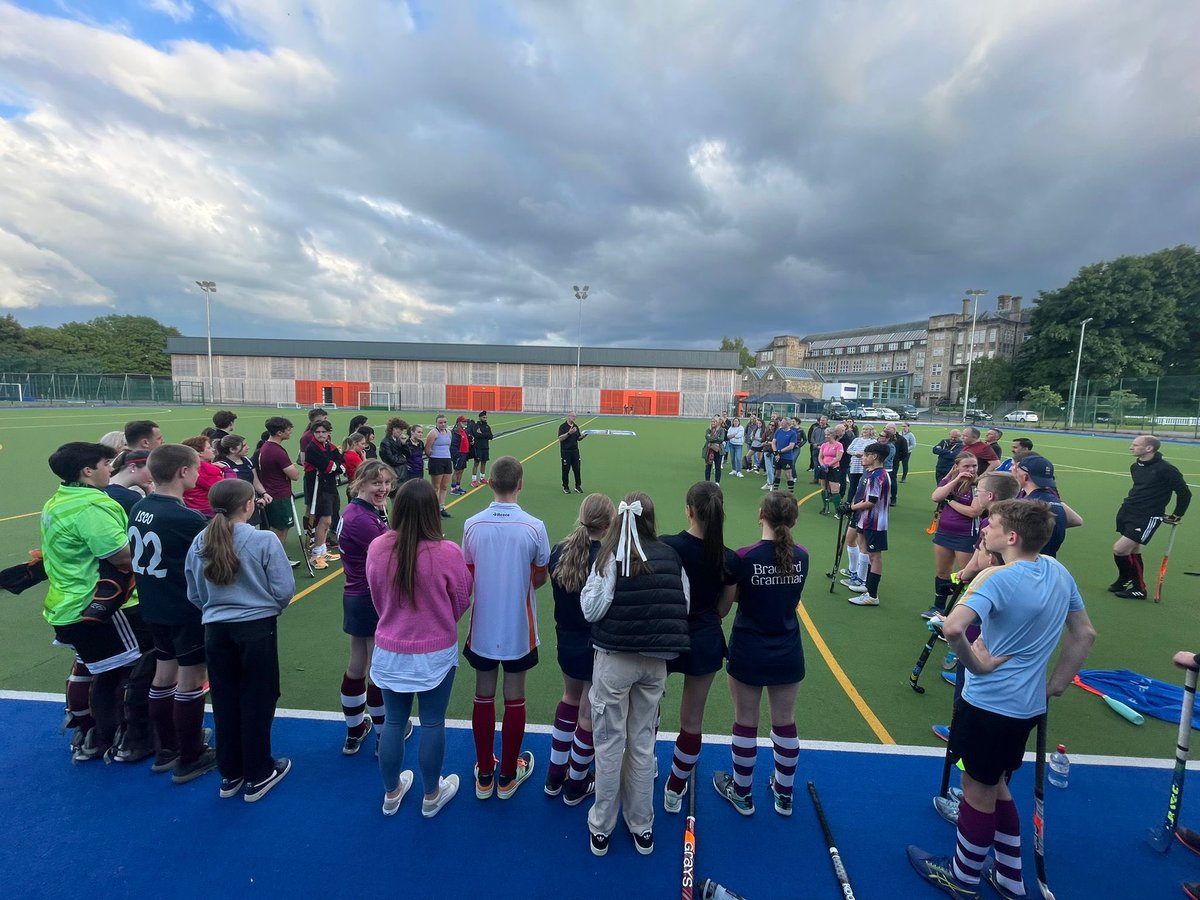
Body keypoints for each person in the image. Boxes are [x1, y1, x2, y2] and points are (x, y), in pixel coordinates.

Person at [907, 499, 1096, 899]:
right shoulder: (1059, 572)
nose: (984, 531)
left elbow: (954, 628)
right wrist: (1057, 684)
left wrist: (976, 666)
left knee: (976, 790)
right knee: (998, 787)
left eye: (989, 525)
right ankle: (1010, 879)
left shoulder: (996, 577)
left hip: (988, 705)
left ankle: (961, 877)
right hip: (1028, 706)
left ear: (1011, 537)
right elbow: (1085, 634)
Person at [581, 492, 690, 856]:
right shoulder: (670, 556)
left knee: (610, 744)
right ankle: (642, 824)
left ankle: (602, 826)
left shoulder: (611, 556)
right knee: (642, 744)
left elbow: (591, 609)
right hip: (655, 661)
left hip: (615, 659)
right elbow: (683, 604)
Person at [365, 478, 472, 817]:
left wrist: (396, 622)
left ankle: (391, 792)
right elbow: (461, 599)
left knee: (394, 722)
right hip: (435, 651)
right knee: (432, 722)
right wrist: (438, 621)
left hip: (391, 647)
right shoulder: (446, 552)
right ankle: (431, 793)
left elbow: (376, 596)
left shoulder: (378, 547)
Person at [185, 479, 296, 802]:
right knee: (259, 697)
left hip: (216, 630)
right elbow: (283, 589)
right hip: (256, 628)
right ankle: (259, 771)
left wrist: (215, 609)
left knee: (225, 698)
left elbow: (194, 592)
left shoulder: (199, 541)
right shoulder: (263, 540)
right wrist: (268, 607)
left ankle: (230, 770)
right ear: (248, 505)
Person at [41, 442, 151, 763]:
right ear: (87, 471)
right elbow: (121, 555)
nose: (110, 470)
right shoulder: (90, 507)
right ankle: (126, 736)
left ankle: (90, 733)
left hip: (67, 602)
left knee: (92, 666)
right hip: (102, 603)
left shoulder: (57, 502)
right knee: (129, 669)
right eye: (106, 463)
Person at [712, 490, 807, 817]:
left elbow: (728, 604)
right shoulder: (802, 556)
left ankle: (742, 794)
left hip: (750, 648)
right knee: (785, 723)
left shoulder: (745, 557)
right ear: (793, 520)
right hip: (787, 650)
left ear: (760, 515)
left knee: (746, 722)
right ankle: (784, 794)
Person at [462, 456, 551, 800]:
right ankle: (509, 775)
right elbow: (540, 575)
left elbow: (467, 575)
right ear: (520, 484)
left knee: (482, 695)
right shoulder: (534, 526)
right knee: (515, 699)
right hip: (518, 628)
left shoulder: (471, 524)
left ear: (488, 482)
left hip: (482, 627)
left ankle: (485, 772)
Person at [129, 444, 217, 783]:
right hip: (183, 607)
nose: (198, 474)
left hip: (153, 604)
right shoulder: (186, 518)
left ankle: (167, 747)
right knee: (191, 679)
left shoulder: (140, 506)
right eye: (195, 469)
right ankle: (190, 754)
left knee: (163, 674)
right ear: (183, 472)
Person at [662, 482, 738, 813]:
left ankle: (643, 767)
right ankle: (674, 789)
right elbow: (723, 610)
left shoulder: (666, 546)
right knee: (692, 721)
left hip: (664, 637)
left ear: (688, 510)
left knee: (647, 710)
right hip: (704, 640)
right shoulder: (729, 559)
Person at [545, 493, 617, 805]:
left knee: (570, 698)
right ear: (609, 522)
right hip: (594, 643)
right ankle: (576, 782)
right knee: (587, 711)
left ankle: (554, 774)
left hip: (566, 639)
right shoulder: (607, 558)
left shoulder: (560, 550)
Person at [336, 460, 403, 757]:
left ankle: (355, 731)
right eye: (377, 483)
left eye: (387, 483)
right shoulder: (362, 520)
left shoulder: (361, 512)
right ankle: (381, 736)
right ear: (360, 482)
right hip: (370, 597)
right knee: (378, 668)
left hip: (356, 594)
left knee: (358, 663)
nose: (384, 489)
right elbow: (394, 557)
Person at [1110, 434, 1191, 599]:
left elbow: (1184, 493)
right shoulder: (1135, 466)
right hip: (1128, 510)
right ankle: (1133, 584)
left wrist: (1177, 514)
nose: (1131, 447)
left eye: (1135, 444)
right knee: (1133, 550)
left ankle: (1134, 584)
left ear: (1149, 448)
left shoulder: (1166, 469)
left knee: (1120, 549)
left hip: (1147, 515)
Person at [924, 453, 985, 620]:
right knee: (942, 571)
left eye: (974, 465)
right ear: (957, 466)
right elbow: (936, 496)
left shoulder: (979, 484)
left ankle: (962, 613)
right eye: (966, 466)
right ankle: (939, 607)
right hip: (944, 532)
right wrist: (957, 479)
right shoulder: (951, 480)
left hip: (965, 535)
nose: (971, 469)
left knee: (966, 575)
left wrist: (950, 501)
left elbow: (974, 512)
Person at [841, 442, 890, 606]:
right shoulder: (870, 473)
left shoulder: (878, 476)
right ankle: (865, 585)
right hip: (864, 519)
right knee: (867, 552)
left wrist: (850, 507)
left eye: (865, 454)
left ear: (874, 457)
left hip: (874, 522)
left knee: (875, 556)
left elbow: (871, 501)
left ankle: (872, 595)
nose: (862, 457)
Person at [1013, 456, 1083, 559]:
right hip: (1048, 563)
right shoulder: (1056, 503)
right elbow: (1076, 520)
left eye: (1016, 471)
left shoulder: (1024, 506)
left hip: (1025, 565)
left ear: (1025, 477)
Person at [256, 417, 301, 562]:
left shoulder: (266, 447)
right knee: (280, 531)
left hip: (272, 493)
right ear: (280, 432)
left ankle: (274, 558)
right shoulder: (276, 451)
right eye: (288, 430)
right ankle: (274, 560)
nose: (290, 432)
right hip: (279, 495)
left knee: (278, 529)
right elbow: (295, 475)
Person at [304, 421, 345, 569]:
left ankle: (322, 550)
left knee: (329, 518)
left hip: (329, 485)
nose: (320, 434)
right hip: (318, 487)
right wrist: (336, 466)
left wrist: (337, 466)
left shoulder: (329, 445)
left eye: (323, 432)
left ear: (328, 433)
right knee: (325, 520)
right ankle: (315, 555)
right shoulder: (312, 448)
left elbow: (341, 462)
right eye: (317, 432)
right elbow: (328, 467)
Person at [181, 435, 224, 518]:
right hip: (207, 512)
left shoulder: (184, 468)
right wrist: (228, 471)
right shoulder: (204, 470)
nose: (213, 449)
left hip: (191, 510)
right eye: (209, 448)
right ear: (199, 453)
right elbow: (225, 489)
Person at [104, 449, 153, 514]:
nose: (153, 476)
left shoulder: (98, 485)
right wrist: (150, 494)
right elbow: (150, 519)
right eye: (151, 471)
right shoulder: (131, 498)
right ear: (132, 467)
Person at [425, 414, 453, 516]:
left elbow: (448, 446)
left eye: (444, 422)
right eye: (440, 423)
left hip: (447, 460)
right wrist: (433, 458)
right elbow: (427, 449)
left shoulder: (449, 432)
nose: (443, 424)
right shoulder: (433, 433)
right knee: (436, 487)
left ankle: (441, 508)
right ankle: (433, 509)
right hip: (436, 460)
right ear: (436, 423)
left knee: (444, 486)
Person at [817, 427, 844, 516]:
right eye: (826, 434)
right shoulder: (824, 445)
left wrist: (828, 465)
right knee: (824, 488)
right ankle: (826, 508)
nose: (826, 436)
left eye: (828, 435)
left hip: (834, 469)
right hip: (824, 469)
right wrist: (822, 465)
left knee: (835, 489)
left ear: (833, 435)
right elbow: (820, 457)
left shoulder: (838, 445)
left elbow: (838, 458)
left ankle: (838, 511)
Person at [770, 416, 801, 493]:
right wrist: (775, 452)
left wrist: (779, 452)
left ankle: (790, 492)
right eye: (781, 422)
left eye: (783, 422)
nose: (781, 424)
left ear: (788, 423)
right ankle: (775, 491)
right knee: (777, 473)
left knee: (788, 475)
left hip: (786, 457)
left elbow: (791, 446)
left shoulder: (793, 433)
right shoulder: (778, 431)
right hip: (777, 456)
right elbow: (774, 442)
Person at [559, 413, 588, 494]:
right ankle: (565, 487)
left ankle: (578, 486)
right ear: (568, 416)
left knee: (577, 469)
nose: (574, 418)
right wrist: (569, 433)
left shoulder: (576, 426)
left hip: (575, 451)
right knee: (566, 470)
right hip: (565, 452)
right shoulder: (563, 427)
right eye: (573, 416)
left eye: (575, 416)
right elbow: (560, 438)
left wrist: (583, 436)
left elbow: (578, 438)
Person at [379, 417, 411, 482]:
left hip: (401, 472)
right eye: (400, 429)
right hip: (392, 472)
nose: (401, 432)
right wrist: (404, 460)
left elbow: (408, 454)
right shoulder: (385, 442)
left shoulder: (399, 440)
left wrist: (404, 443)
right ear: (394, 429)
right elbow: (391, 459)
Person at [449, 416, 472, 495]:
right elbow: (453, 445)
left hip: (464, 453)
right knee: (457, 471)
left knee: (461, 470)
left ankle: (458, 486)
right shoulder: (455, 432)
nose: (465, 423)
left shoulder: (463, 431)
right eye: (464, 421)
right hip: (459, 454)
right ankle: (453, 488)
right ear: (459, 423)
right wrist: (457, 454)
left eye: (466, 421)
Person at [470, 411, 494, 487]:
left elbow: (491, 436)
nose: (485, 419)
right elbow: (477, 435)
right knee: (476, 463)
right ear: (480, 417)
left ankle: (482, 478)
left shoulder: (487, 426)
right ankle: (474, 480)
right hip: (478, 447)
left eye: (486, 417)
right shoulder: (476, 426)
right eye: (483, 417)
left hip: (485, 447)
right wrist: (485, 435)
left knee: (484, 462)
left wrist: (482, 434)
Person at [703, 415, 726, 485]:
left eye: (714, 422)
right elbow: (707, 438)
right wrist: (716, 438)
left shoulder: (721, 430)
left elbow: (721, 439)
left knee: (717, 466)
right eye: (712, 422)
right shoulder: (708, 430)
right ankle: (707, 481)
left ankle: (717, 482)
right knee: (708, 466)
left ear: (718, 422)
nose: (713, 423)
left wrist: (712, 438)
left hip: (718, 450)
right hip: (709, 450)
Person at [807, 416, 827, 482]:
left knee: (822, 464)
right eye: (821, 420)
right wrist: (814, 443)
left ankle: (822, 478)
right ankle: (816, 478)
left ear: (826, 421)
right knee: (816, 464)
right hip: (815, 449)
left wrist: (818, 444)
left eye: (823, 420)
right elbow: (812, 437)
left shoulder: (828, 429)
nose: (821, 421)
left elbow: (826, 439)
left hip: (823, 449)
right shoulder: (816, 428)